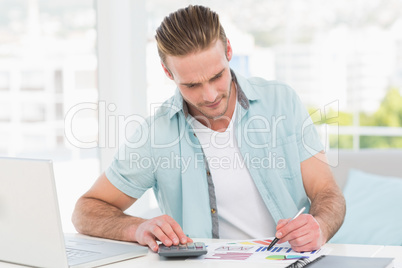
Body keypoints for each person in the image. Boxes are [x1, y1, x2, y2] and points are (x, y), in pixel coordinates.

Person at [72, 5, 346, 253]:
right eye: (191, 85)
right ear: (169, 73)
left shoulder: (281, 102)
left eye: (217, 76)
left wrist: (318, 226)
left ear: (228, 50)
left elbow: (327, 192)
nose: (210, 95)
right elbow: (85, 211)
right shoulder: (156, 135)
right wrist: (136, 228)